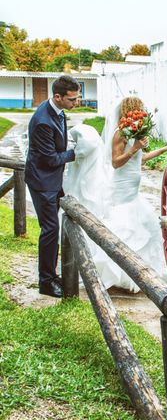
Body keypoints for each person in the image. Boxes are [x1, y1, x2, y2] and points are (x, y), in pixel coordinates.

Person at [65, 96, 167, 292]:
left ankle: (134, 275)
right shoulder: (120, 134)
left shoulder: (135, 132)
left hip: (134, 189)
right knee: (123, 226)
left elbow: (140, 160)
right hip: (121, 187)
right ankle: (116, 273)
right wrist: (134, 148)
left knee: (142, 227)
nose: (143, 114)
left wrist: (164, 149)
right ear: (131, 111)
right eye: (140, 110)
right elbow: (116, 162)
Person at [25, 75, 80, 298]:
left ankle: (52, 274)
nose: (75, 103)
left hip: (53, 180)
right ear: (57, 97)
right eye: (72, 99)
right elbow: (50, 159)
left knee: (54, 228)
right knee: (50, 230)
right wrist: (78, 153)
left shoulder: (58, 111)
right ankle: (45, 282)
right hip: (42, 182)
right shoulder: (42, 122)